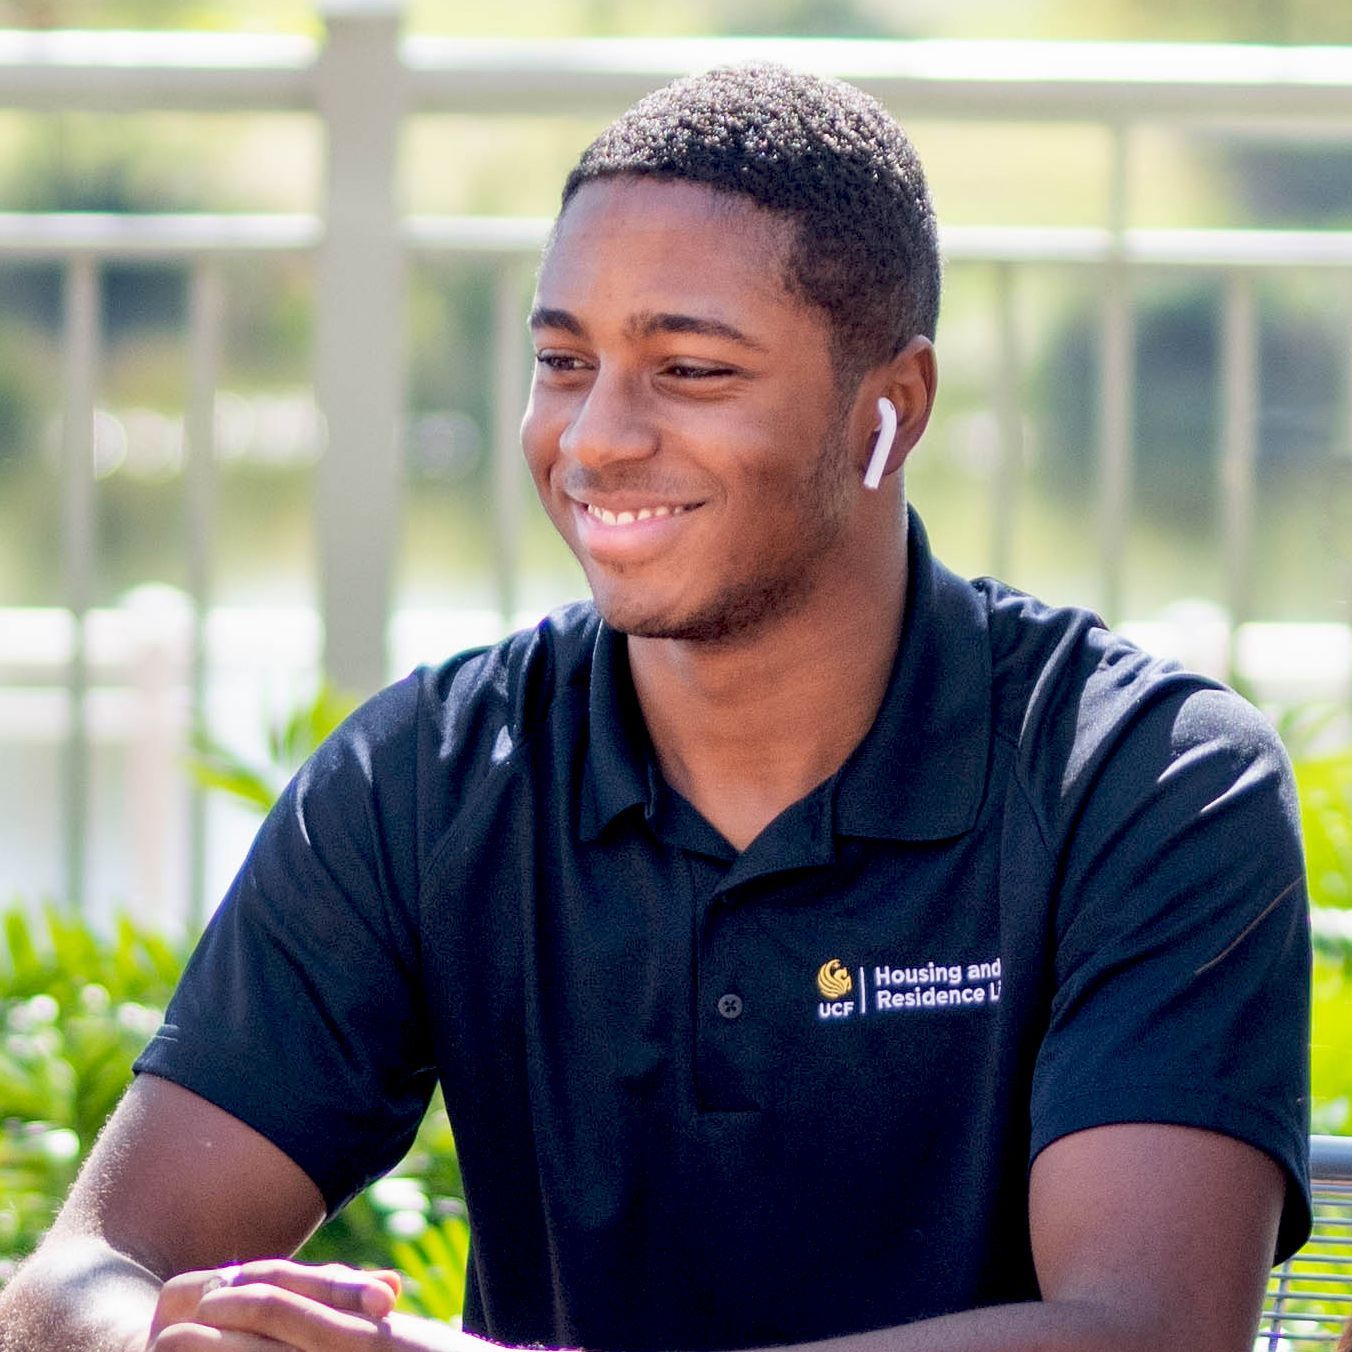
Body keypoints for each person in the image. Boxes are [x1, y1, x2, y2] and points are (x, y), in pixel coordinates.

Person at [0, 63, 1311, 1352]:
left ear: (889, 410)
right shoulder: (429, 780)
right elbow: (78, 1282)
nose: (594, 440)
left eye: (688, 370)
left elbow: (1149, 1330)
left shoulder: (1150, 785)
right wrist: (177, 1337)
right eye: (564, 362)